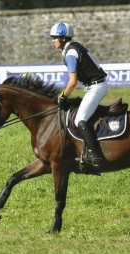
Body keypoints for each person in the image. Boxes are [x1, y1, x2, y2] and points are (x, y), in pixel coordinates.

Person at [47, 22, 108, 168]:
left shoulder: (70, 52)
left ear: (63, 38)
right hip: (94, 86)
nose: (52, 40)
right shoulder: (73, 48)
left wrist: (62, 96)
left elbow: (73, 82)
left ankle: (95, 156)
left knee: (80, 119)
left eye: (55, 37)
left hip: (96, 87)